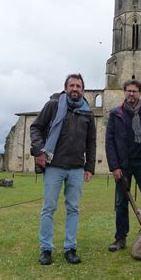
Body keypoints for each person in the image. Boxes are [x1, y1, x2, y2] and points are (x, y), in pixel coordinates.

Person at [30, 73, 96, 265]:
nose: (75, 89)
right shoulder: (53, 105)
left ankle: (70, 248)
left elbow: (91, 141)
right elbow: (36, 127)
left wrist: (90, 166)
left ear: (83, 90)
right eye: (72, 85)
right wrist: (39, 150)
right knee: (49, 208)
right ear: (66, 88)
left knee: (73, 209)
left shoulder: (87, 112)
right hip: (54, 166)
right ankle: (46, 249)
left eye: (79, 86)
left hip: (76, 167)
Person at [105, 79, 141, 252]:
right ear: (124, 92)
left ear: (140, 93)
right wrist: (114, 167)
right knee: (121, 202)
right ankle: (120, 238)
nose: (131, 94)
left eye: (135, 91)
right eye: (129, 91)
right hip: (123, 165)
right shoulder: (116, 114)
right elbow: (109, 142)